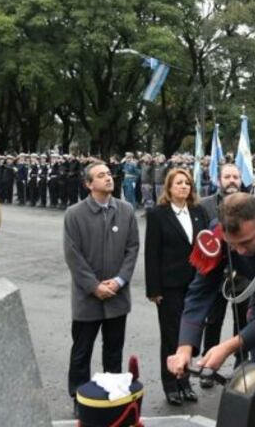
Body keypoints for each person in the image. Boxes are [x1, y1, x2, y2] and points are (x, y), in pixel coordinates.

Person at [166, 192, 255, 376]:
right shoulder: (217, 235)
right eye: (232, 245)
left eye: (246, 242)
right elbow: (200, 291)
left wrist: (228, 347)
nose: (240, 251)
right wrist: (184, 347)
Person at [63, 162, 140, 412]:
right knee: (81, 351)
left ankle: (114, 394)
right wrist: (94, 286)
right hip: (88, 298)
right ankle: (79, 397)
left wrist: (119, 281)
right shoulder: (74, 214)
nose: (108, 178)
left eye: (108, 174)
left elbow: (132, 249)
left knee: (114, 350)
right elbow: (73, 256)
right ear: (88, 184)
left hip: (117, 296)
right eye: (101, 175)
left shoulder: (126, 210)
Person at [145, 168, 208, 406]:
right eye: (179, 183)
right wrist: (154, 290)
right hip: (169, 286)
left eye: (187, 183)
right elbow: (152, 253)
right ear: (169, 188)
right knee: (171, 336)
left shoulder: (198, 212)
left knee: (188, 337)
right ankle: (171, 384)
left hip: (195, 285)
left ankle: (185, 382)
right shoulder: (158, 214)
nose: (184, 186)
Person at [196, 163, 250, 388]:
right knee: (213, 322)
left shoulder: (251, 205)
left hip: (245, 278)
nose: (232, 181)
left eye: (236, 177)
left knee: (243, 323)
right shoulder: (205, 205)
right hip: (215, 277)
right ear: (219, 181)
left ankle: (241, 366)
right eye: (227, 176)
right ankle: (209, 366)